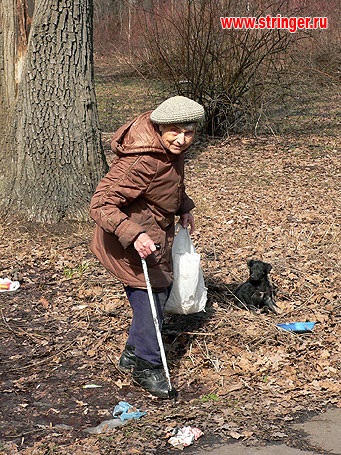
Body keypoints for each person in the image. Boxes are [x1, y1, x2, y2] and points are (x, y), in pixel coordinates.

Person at [90, 96, 205, 399]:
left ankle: (131, 355)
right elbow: (101, 203)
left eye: (189, 132)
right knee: (150, 301)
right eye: (176, 131)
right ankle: (147, 365)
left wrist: (184, 207)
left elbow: (170, 184)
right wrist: (132, 233)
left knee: (157, 295)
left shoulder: (167, 150)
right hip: (130, 242)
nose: (182, 139)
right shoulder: (142, 160)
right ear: (160, 126)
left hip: (156, 234)